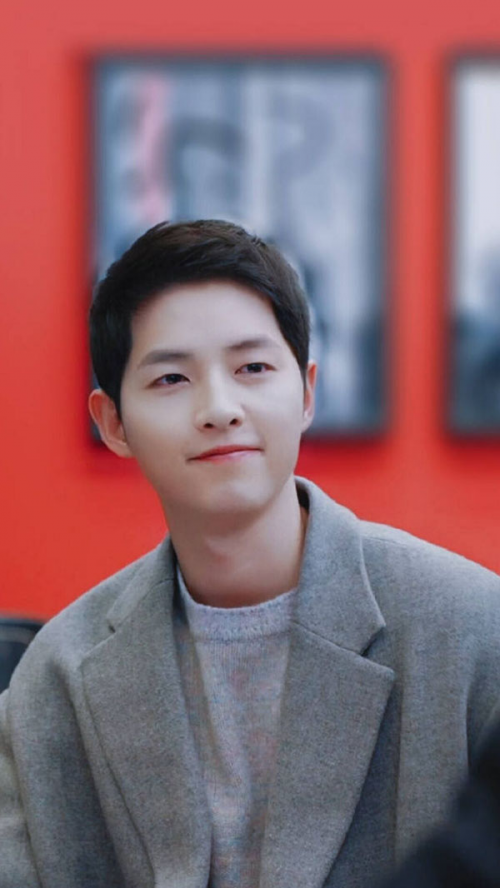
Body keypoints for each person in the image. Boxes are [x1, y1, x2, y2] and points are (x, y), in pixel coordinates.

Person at [1, 219, 500, 888]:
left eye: (253, 368)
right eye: (171, 378)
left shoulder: (472, 628)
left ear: (307, 392)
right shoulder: (56, 677)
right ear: (113, 423)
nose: (220, 408)